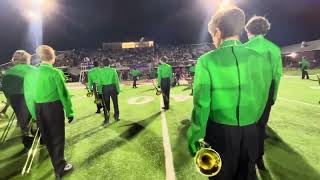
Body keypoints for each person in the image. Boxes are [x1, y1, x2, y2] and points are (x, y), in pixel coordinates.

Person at [187, 7, 273, 180]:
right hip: (251, 131)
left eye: (212, 35)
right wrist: (251, 121)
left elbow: (202, 104)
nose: (213, 40)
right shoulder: (259, 58)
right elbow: (264, 96)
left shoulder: (206, 61)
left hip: (220, 133)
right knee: (248, 175)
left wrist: (195, 137)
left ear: (218, 32)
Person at [24, 45, 74, 179]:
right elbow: (64, 95)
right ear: (52, 57)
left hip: (38, 108)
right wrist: (69, 112)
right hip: (54, 108)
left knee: (48, 138)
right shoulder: (55, 73)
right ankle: (60, 168)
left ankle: (57, 165)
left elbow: (28, 97)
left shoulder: (30, 74)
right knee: (58, 138)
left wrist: (35, 114)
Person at [245, 16, 283, 170]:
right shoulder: (273, 48)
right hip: (266, 92)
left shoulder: (243, 48)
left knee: (246, 126)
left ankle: (247, 158)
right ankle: (258, 158)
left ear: (248, 30)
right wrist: (273, 97)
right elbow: (277, 75)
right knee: (260, 127)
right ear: (265, 30)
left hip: (247, 92)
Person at [2, 50, 36, 150]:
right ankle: (39, 136)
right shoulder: (33, 69)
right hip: (30, 97)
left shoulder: (8, 72)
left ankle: (27, 143)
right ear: (27, 59)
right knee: (36, 117)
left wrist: (10, 99)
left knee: (23, 121)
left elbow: (5, 88)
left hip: (15, 99)